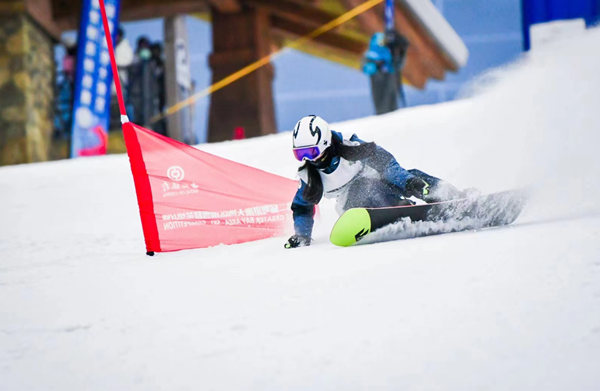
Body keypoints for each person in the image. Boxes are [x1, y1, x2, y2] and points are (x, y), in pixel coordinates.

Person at [284, 115, 466, 248]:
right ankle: (398, 207)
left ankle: (449, 196)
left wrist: (410, 182)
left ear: (325, 142)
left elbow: (386, 164)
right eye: (301, 154)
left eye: (312, 152)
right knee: (362, 189)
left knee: (405, 176)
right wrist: (301, 235)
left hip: (380, 183)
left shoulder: (351, 147)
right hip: (354, 207)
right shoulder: (309, 176)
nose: (309, 159)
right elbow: (302, 208)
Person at [362, 31, 408, 114]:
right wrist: (377, 66)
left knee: (392, 109)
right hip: (379, 90)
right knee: (382, 109)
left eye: (383, 41)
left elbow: (397, 66)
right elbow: (367, 68)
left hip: (391, 92)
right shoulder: (370, 56)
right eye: (380, 41)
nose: (381, 44)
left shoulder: (389, 55)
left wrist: (402, 52)